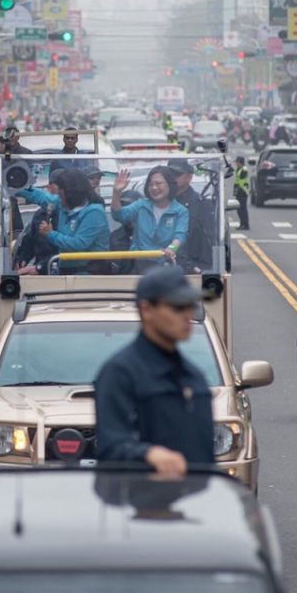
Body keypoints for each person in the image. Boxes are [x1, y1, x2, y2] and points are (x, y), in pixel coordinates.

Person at [94, 266, 212, 476]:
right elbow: (111, 450)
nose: (187, 315)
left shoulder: (194, 377)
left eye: (190, 306)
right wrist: (147, 454)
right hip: (140, 505)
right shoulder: (120, 374)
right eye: (177, 307)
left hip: (194, 505)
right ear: (147, 310)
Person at [36, 168, 110, 274]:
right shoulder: (64, 208)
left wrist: (50, 234)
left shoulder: (94, 212)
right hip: (66, 272)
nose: (59, 198)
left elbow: (79, 244)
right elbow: (41, 197)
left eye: (61, 195)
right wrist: (20, 187)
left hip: (89, 275)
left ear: (71, 193)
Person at [110, 166, 189, 263]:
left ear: (170, 184)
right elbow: (119, 216)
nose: (154, 188)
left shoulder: (181, 211)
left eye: (158, 183)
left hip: (166, 264)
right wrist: (116, 192)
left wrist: (171, 249)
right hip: (140, 263)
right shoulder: (140, 205)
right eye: (150, 184)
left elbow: (180, 236)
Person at [167, 158, 213, 272]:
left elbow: (209, 240)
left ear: (189, 177)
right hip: (160, 266)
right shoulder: (158, 201)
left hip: (191, 268)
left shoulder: (201, 205)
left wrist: (198, 267)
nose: (172, 177)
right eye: (169, 174)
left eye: (177, 174)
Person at [233, 156, 251, 230]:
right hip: (240, 191)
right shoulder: (239, 169)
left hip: (243, 191)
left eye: (237, 162)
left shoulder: (243, 170)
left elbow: (241, 181)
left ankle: (245, 224)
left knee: (242, 209)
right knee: (239, 209)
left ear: (240, 162)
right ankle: (242, 223)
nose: (236, 164)